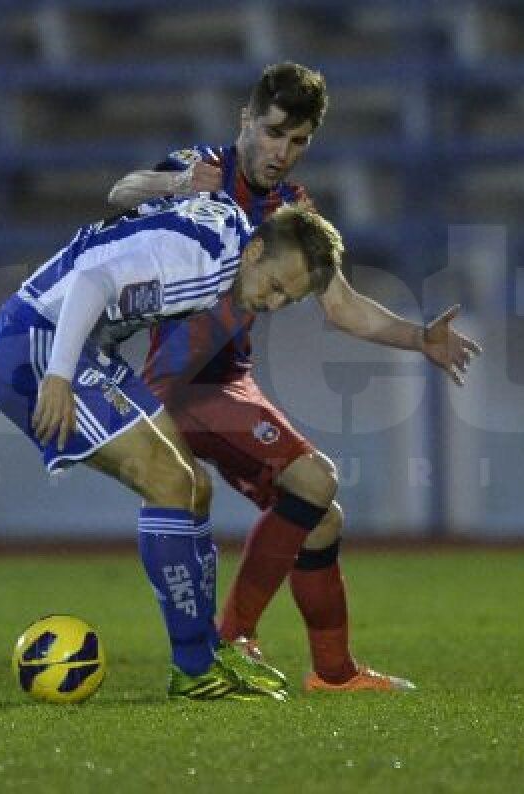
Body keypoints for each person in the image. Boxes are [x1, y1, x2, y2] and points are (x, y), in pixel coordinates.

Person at [108, 62, 482, 692]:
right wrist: (172, 183)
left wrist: (420, 338)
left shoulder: (291, 208)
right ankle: (232, 639)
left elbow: (341, 307)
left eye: (299, 140)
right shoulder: (201, 170)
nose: (283, 151)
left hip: (232, 381)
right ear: (246, 120)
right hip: (183, 382)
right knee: (315, 479)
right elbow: (121, 192)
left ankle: (334, 674)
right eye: (275, 132)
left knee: (323, 518)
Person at [0, 191, 352, 700]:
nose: (274, 303)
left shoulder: (230, 229)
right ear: (254, 252)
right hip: (37, 345)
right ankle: (194, 668)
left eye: (290, 299)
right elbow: (92, 281)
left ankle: (206, 653)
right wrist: (59, 376)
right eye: (274, 286)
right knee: (171, 482)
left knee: (195, 486)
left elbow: (187, 203)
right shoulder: (200, 266)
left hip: (86, 347)